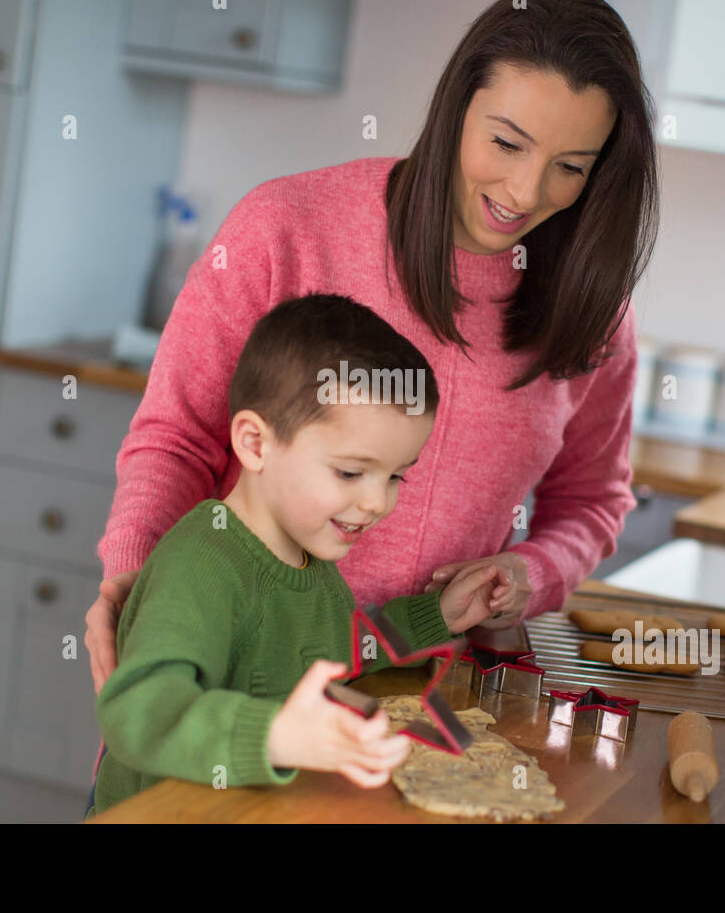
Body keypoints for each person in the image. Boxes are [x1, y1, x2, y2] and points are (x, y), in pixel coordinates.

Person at [86, 0, 659, 694]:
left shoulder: (591, 310)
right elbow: (178, 437)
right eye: (506, 143)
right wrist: (138, 577)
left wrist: (532, 571)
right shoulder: (286, 227)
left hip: (421, 705)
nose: (523, 190)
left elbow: (592, 501)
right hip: (227, 676)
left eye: (570, 168)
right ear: (456, 109)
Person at [85, 294, 519, 818]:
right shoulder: (201, 566)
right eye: (351, 473)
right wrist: (275, 736)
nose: (377, 502)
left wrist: (439, 615)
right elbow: (139, 714)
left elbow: (345, 647)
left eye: (396, 475)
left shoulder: (314, 571)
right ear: (255, 443)